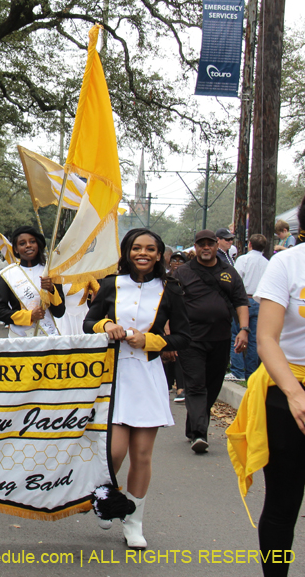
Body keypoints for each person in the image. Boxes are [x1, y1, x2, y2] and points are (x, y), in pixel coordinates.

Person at [83, 228, 190, 549]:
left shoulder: (170, 289)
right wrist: (107, 325)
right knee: (114, 452)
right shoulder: (110, 284)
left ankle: (134, 523)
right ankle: (106, 500)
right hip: (113, 376)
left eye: (151, 249)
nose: (143, 253)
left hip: (148, 375)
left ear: (159, 255)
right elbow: (89, 322)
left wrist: (152, 341)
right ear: (127, 252)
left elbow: (184, 336)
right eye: (136, 248)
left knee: (142, 455)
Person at [227, 197, 305, 577]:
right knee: (282, 503)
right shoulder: (288, 263)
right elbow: (268, 340)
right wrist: (294, 393)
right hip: (286, 395)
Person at [172, 229, 249, 454]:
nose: (205, 248)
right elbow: (170, 303)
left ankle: (194, 423)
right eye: (201, 244)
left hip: (221, 338)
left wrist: (243, 330)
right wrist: (169, 331)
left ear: (217, 246)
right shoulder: (183, 273)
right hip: (191, 339)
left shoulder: (229, 273)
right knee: (196, 384)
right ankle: (199, 434)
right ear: (195, 248)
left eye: (209, 244)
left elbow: (241, 301)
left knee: (213, 385)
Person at [0, 226, 66, 338]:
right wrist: (29, 316)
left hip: (48, 337)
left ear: (38, 245)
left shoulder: (50, 272)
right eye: (22, 243)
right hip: (19, 338)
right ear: (16, 249)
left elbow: (59, 312)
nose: (28, 245)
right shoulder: (8, 274)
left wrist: (51, 290)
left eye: (32, 242)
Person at [229, 234, 270, 382]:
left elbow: (236, 278)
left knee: (236, 333)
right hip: (260, 301)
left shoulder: (243, 259)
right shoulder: (267, 262)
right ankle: (251, 372)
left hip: (244, 299)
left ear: (250, 245)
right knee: (253, 339)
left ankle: (237, 370)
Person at [165, 251, 189, 404]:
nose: (177, 263)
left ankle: (181, 388)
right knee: (167, 355)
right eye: (174, 260)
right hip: (165, 320)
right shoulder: (164, 280)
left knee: (179, 354)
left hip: (181, 321)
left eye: (181, 260)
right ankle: (166, 386)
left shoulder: (188, 279)